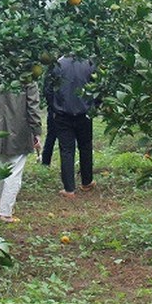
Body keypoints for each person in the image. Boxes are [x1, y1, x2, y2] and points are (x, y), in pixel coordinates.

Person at [0, 70, 42, 222]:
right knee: (14, 171)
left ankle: (4, 207)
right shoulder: (27, 77)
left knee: (1, 168)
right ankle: (5, 211)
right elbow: (33, 107)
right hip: (19, 130)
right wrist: (36, 132)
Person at [44, 53, 96, 198]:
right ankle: (87, 182)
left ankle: (69, 189)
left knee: (66, 150)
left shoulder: (56, 65)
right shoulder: (89, 63)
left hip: (62, 114)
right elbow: (98, 87)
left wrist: (53, 107)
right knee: (85, 146)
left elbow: (48, 89)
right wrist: (93, 106)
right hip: (84, 113)